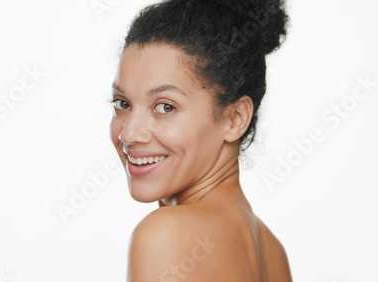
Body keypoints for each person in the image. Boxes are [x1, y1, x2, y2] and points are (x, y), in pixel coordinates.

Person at [109, 0, 292, 280]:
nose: (128, 134)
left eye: (165, 107)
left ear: (235, 118)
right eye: (122, 103)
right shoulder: (272, 251)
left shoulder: (166, 234)